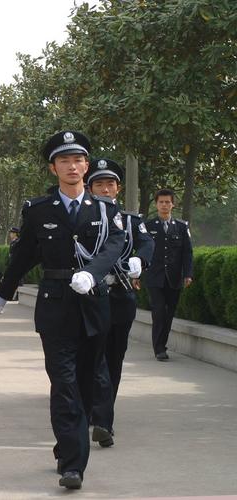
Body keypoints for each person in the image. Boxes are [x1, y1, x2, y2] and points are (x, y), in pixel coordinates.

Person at [0, 131, 125, 490]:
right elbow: (24, 256)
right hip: (55, 305)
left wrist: (92, 274)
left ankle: (68, 443)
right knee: (64, 384)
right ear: (53, 168)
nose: (72, 166)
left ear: (87, 165)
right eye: (64, 160)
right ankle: (73, 464)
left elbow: (115, 246)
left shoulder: (106, 209)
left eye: (78, 160)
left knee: (84, 383)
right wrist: (3, 293)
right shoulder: (38, 210)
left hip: (93, 305)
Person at [84, 158, 154, 447]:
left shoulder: (131, 220)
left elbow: (147, 243)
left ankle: (104, 417)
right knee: (91, 357)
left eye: (109, 183)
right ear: (90, 188)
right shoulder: (81, 218)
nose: (104, 188)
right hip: (88, 298)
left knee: (113, 357)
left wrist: (141, 259)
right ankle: (94, 412)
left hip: (120, 295)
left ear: (118, 188)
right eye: (98, 183)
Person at [141, 188, 193, 361]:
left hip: (174, 277)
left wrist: (188, 274)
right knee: (158, 312)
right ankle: (159, 348)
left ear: (173, 204)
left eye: (167, 202)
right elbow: (142, 250)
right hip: (154, 277)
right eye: (161, 202)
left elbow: (187, 253)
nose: (164, 205)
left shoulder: (181, 227)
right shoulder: (148, 226)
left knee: (169, 313)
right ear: (156, 204)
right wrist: (136, 274)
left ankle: (163, 343)